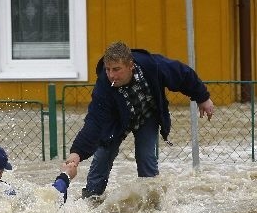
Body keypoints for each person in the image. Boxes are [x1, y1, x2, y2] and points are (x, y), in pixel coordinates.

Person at [65, 41, 215, 198]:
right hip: (116, 122)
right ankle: (91, 198)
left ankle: (152, 202)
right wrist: (76, 153)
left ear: (131, 66)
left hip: (146, 116)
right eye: (108, 69)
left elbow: (183, 75)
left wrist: (203, 98)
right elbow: (94, 122)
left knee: (146, 157)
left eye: (116, 69)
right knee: (103, 154)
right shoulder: (104, 85)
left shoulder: (153, 66)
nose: (111, 75)